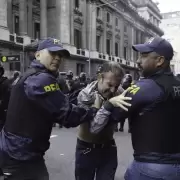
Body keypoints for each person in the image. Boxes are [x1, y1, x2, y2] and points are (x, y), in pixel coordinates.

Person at [0, 38, 131, 180]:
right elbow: (67, 115)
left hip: (18, 150)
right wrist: (98, 109)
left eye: (60, 55)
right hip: (20, 154)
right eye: (52, 53)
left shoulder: (30, 75)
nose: (57, 58)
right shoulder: (41, 80)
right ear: (38, 55)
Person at [89, 37, 180, 180]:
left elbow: (100, 124)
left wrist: (108, 104)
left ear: (160, 61)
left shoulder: (142, 89)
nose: (138, 61)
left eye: (144, 56)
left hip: (150, 167)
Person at [75, 62, 126, 180]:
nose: (113, 90)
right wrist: (108, 105)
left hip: (108, 148)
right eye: (110, 84)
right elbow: (94, 128)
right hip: (86, 149)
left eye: (117, 86)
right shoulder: (85, 95)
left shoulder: (119, 92)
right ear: (100, 77)